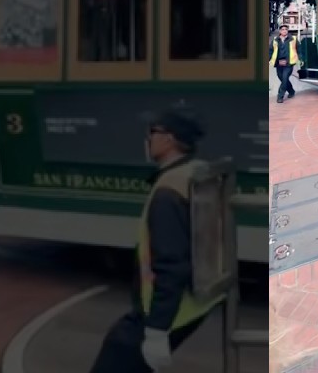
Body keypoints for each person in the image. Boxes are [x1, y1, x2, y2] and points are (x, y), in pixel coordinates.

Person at [89, 108, 223, 372]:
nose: (148, 140)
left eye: (152, 133)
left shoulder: (168, 191)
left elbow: (171, 264)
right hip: (192, 304)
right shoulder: (196, 172)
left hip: (169, 311)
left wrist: (157, 330)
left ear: (169, 139)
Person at [270, 24, 299, 103]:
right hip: (278, 63)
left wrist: (301, 59)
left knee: (285, 77)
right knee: (282, 78)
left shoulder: (293, 39)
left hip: (289, 63)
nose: (284, 31)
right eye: (282, 29)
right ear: (280, 31)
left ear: (287, 30)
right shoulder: (275, 40)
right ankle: (291, 91)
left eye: (286, 29)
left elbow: (299, 49)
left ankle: (280, 96)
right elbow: (270, 51)